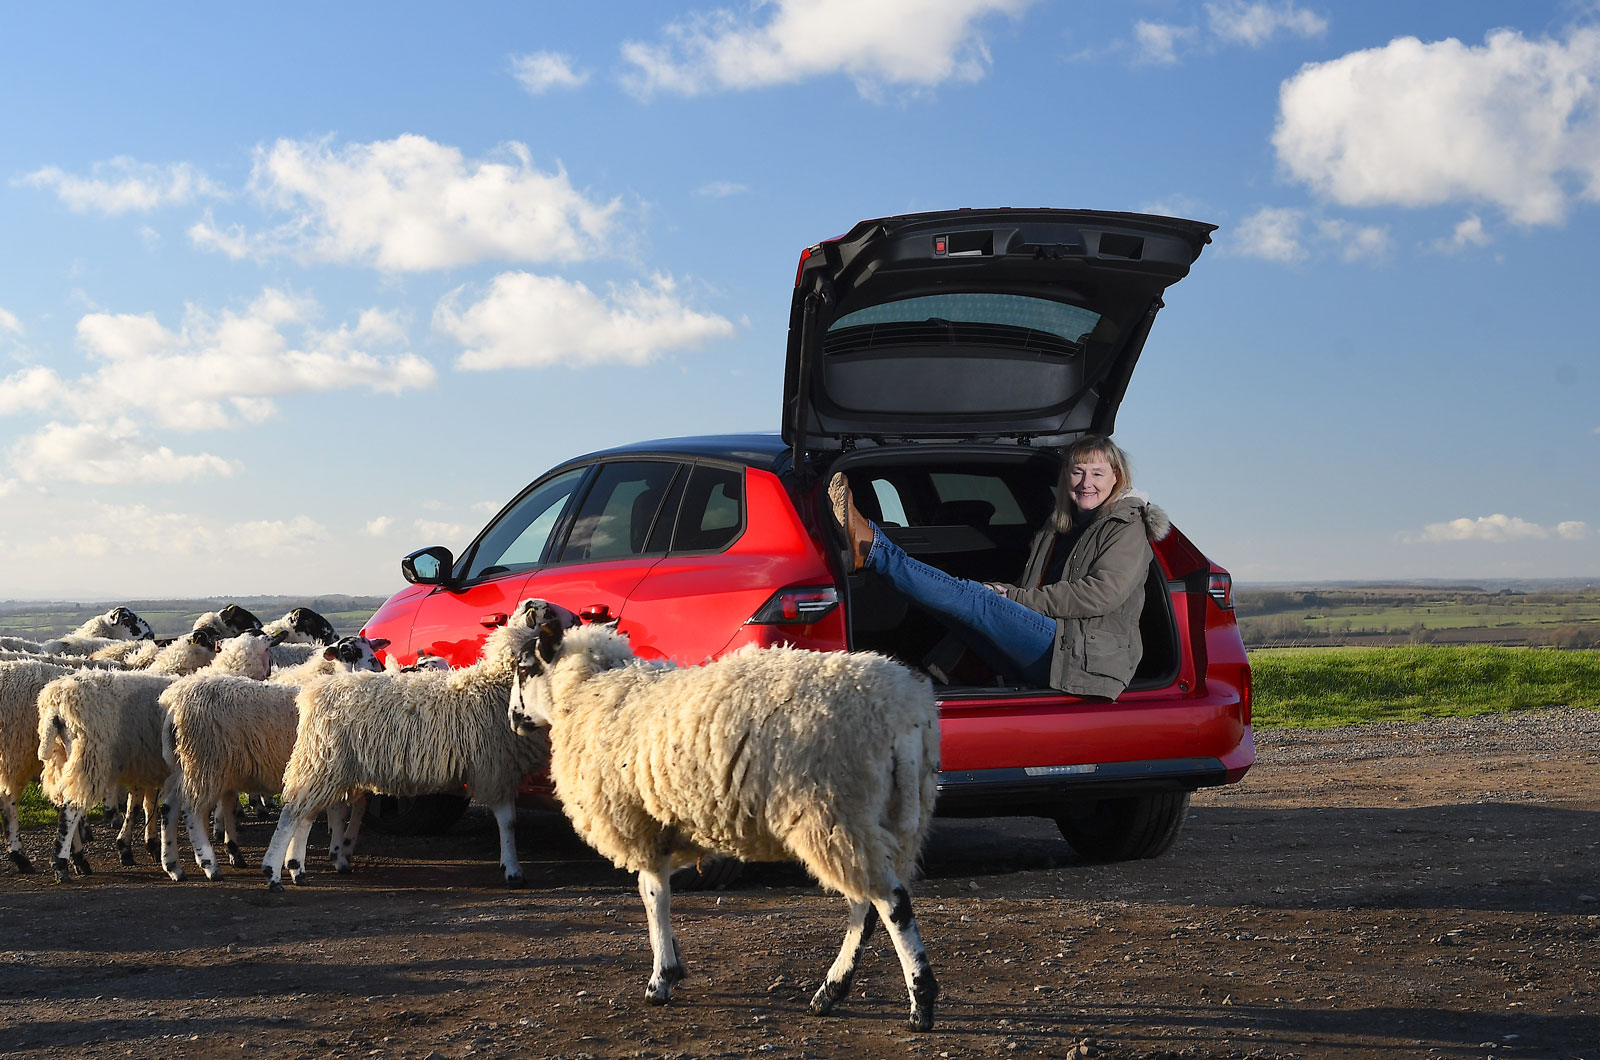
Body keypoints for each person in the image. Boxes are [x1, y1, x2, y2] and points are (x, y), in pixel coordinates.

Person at [829, 435, 1170, 699]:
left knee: (974, 598)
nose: (1086, 482)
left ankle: (874, 549)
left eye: (1097, 473)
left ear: (1116, 478)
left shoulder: (1127, 526)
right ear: (1065, 476)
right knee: (959, 604)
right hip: (1058, 643)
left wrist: (1013, 599)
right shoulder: (1058, 527)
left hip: (1089, 658)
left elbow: (1100, 595)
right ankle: (910, 685)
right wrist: (1006, 594)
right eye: (1078, 471)